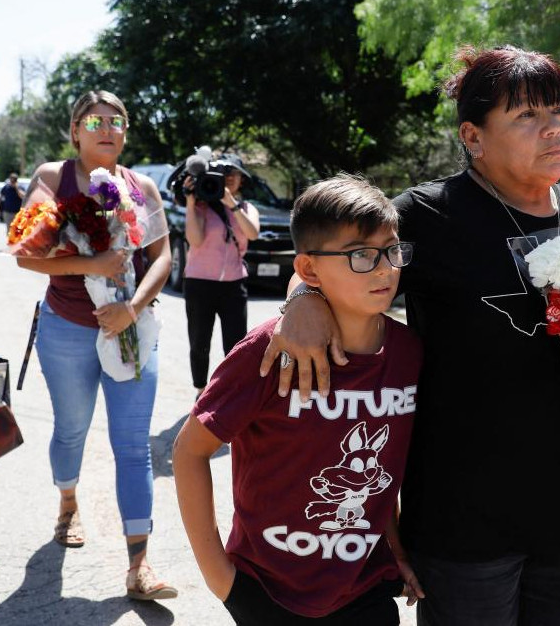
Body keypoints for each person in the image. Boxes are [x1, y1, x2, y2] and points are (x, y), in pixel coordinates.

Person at [260, 46, 560, 625]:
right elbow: (335, 266)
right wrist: (303, 302)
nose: (553, 130)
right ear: (473, 136)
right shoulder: (425, 214)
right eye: (526, 116)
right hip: (460, 524)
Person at [174, 174, 424, 624]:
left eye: (392, 251)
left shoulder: (409, 353)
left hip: (365, 586)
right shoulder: (268, 352)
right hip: (267, 590)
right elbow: (189, 451)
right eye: (361, 255)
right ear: (309, 270)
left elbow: (381, 467)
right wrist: (219, 579)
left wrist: (397, 549)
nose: (385, 268)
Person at [14, 90, 175, 601]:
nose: (107, 128)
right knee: (71, 430)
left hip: (131, 329)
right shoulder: (51, 178)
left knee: (133, 447)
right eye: (94, 120)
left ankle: (140, 564)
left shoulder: (140, 185)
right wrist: (92, 265)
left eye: (117, 121)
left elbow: (163, 256)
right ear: (75, 130)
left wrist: (132, 307)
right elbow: (26, 256)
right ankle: (68, 502)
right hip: (67, 328)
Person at [183, 153, 260, 396]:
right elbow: (194, 240)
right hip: (199, 283)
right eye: (223, 174)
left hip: (233, 284)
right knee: (199, 342)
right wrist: (190, 203)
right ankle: (200, 389)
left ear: (241, 180)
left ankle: (230, 389)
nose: (227, 179)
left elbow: (253, 232)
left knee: (236, 343)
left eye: (233, 175)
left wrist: (233, 206)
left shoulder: (247, 208)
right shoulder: (202, 206)